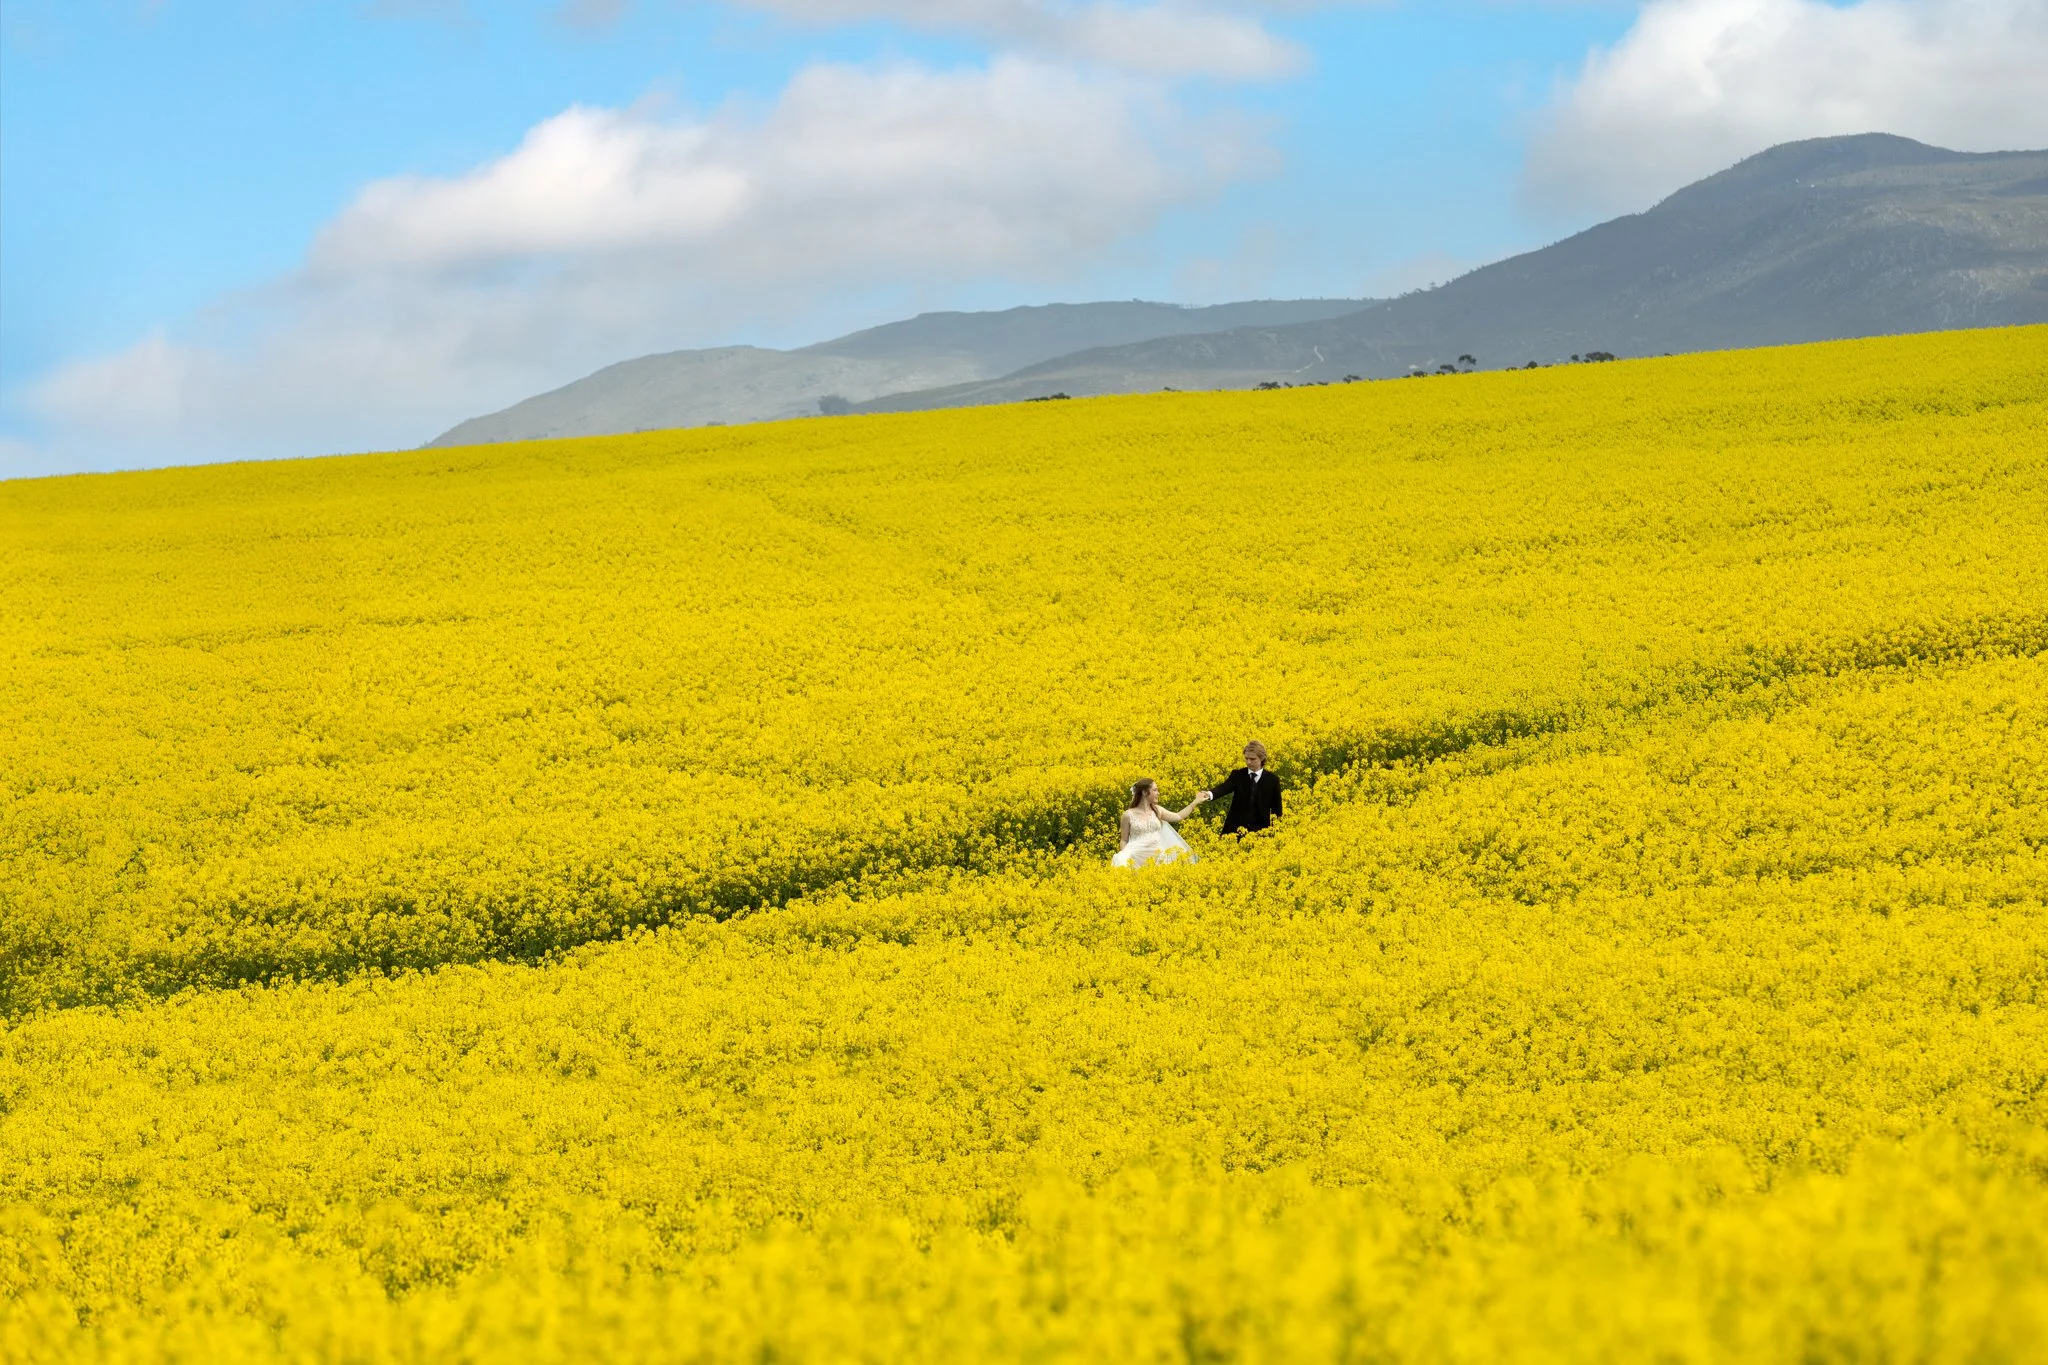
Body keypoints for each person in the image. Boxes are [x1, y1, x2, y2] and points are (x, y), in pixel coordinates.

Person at [1113, 779, 1209, 867]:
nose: (1158, 793)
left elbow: (1178, 816)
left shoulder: (1157, 810)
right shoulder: (1127, 815)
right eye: (1155, 790)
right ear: (1145, 792)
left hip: (1157, 856)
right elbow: (1124, 840)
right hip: (1136, 856)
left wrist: (1195, 802)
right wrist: (1124, 855)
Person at [1200, 740, 1282, 835]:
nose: (1248, 762)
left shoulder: (1272, 780)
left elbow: (1277, 809)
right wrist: (1209, 794)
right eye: (1246, 758)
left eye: (1252, 759)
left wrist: (1275, 833)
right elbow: (1224, 788)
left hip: (1260, 831)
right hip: (1234, 830)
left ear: (1262, 758)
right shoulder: (1238, 775)